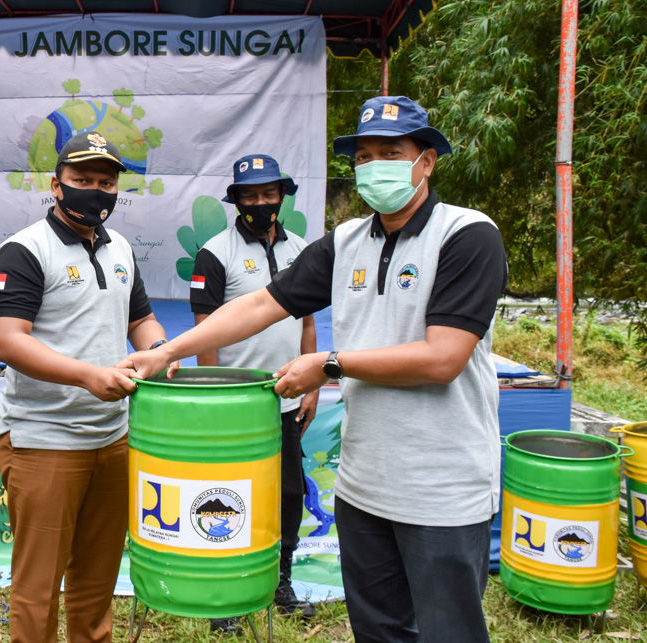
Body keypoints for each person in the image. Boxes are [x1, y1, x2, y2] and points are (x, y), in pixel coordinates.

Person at [119, 95, 507, 643]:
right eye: (364, 156)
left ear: (427, 161)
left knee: (448, 631)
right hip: (364, 482)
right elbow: (259, 306)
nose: (375, 166)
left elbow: (443, 358)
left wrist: (328, 365)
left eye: (390, 152)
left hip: (440, 481)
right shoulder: (345, 242)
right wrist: (167, 352)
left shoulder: (468, 236)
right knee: (379, 627)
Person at [0, 132, 174, 642]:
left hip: (113, 438)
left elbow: (141, 319)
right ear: (56, 185)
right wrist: (88, 375)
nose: (95, 190)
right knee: (38, 586)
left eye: (105, 182)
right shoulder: (24, 251)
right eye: (82, 180)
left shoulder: (122, 249)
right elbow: (5, 341)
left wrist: (161, 351)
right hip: (45, 440)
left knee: (97, 582)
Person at [192, 154, 318, 632]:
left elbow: (307, 320)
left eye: (269, 194)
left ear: (282, 196)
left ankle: (279, 583)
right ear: (237, 200)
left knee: (287, 494)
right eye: (251, 195)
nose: (261, 203)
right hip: (236, 406)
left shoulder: (302, 249)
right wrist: (214, 396)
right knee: (225, 498)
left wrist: (312, 387)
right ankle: (224, 597)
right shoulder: (215, 253)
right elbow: (205, 333)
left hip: (286, 398)